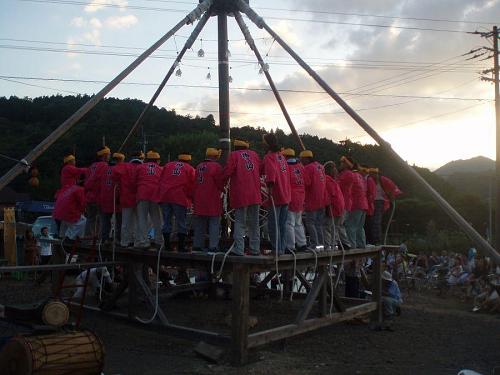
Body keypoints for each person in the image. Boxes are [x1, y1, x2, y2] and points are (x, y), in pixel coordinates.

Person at [223, 139, 262, 256]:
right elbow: (260, 169)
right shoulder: (254, 155)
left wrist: (218, 180)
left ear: (235, 147)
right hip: (255, 194)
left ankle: (239, 249)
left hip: (241, 194)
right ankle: (255, 249)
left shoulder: (234, 155)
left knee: (240, 223)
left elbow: (227, 171)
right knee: (254, 223)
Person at [157, 153, 195, 253]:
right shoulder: (189, 168)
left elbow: (160, 180)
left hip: (165, 196)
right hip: (179, 197)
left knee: (166, 221)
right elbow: (191, 186)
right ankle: (181, 247)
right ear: (188, 160)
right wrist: (190, 197)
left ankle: (167, 245)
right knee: (181, 222)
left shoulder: (168, 165)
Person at [262, 134, 291, 255]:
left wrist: (269, 188)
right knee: (282, 224)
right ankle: (282, 248)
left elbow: (271, 173)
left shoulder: (270, 157)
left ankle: (276, 248)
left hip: (276, 194)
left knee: (273, 225)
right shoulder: (281, 157)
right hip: (286, 193)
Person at [192, 148, 224, 252]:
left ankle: (197, 245)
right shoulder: (216, 166)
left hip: (199, 199)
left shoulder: (199, 166)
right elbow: (220, 182)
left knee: (200, 223)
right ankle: (213, 246)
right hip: (212, 198)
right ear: (215, 157)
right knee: (214, 223)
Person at [113, 151, 143, 247]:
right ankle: (138, 242)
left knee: (125, 222)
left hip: (126, 198)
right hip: (139, 198)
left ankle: (125, 241)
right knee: (139, 221)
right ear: (141, 158)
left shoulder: (123, 166)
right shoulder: (143, 167)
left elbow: (114, 175)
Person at [135, 150, 163, 249]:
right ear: (157, 160)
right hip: (155, 195)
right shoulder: (160, 169)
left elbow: (134, 180)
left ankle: (144, 242)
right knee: (157, 219)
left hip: (142, 193)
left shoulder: (140, 167)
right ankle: (159, 241)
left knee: (142, 219)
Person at [368, 168, 402, 245]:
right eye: (372, 174)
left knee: (376, 221)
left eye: (375, 173)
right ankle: (372, 239)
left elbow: (393, 188)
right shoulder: (369, 180)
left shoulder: (383, 180)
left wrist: (392, 197)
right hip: (372, 202)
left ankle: (377, 240)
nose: (374, 175)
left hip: (380, 201)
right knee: (371, 221)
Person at [300, 150, 326, 249]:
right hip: (322, 199)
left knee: (310, 223)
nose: (301, 161)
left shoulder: (307, 168)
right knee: (319, 224)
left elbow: (307, 183)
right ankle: (321, 244)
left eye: (302, 159)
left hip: (312, 199)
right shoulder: (320, 166)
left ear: (306, 159)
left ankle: (315, 244)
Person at [283, 148, 307, 252]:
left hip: (291, 197)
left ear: (285, 157)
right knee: (298, 222)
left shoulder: (286, 167)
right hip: (301, 197)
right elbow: (307, 181)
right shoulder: (301, 167)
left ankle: (290, 246)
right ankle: (302, 244)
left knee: (289, 223)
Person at [84, 146, 111, 237]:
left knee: (90, 218)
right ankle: (99, 238)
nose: (109, 156)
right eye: (108, 154)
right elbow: (102, 181)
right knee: (102, 218)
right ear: (104, 155)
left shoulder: (92, 166)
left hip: (89, 196)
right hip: (98, 196)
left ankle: (88, 237)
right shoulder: (104, 166)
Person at [53, 175, 87, 240]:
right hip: (67, 213)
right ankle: (70, 237)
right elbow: (83, 204)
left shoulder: (68, 187)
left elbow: (56, 196)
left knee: (66, 223)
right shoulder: (80, 189)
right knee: (83, 220)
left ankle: (62, 236)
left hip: (57, 213)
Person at [99, 152, 123, 243]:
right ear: (120, 160)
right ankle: (118, 238)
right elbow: (120, 184)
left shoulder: (104, 169)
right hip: (115, 197)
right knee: (119, 220)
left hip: (104, 197)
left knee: (106, 220)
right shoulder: (119, 169)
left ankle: (104, 238)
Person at [345, 163, 368, 249]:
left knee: (350, 225)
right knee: (360, 227)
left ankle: (352, 246)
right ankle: (361, 244)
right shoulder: (361, 177)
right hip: (364, 204)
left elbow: (348, 190)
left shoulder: (352, 176)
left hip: (356, 204)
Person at [323, 162, 345, 250]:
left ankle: (328, 246)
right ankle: (334, 245)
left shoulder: (327, 180)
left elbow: (330, 194)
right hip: (339, 207)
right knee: (335, 228)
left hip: (333, 207)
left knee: (327, 227)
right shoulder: (334, 181)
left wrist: (327, 207)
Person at [337, 156, 356, 249]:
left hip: (344, 202)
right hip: (344, 202)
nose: (340, 165)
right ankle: (342, 243)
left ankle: (345, 243)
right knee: (339, 224)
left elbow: (338, 185)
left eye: (342, 163)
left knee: (339, 224)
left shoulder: (348, 174)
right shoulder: (345, 173)